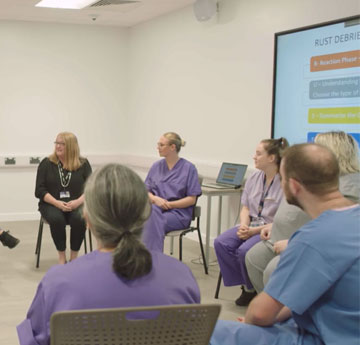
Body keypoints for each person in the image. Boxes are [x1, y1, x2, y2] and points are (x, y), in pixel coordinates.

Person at [18, 164, 200, 345]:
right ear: (145, 216)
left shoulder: (58, 282)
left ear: (87, 220)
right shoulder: (180, 276)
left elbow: (34, 339)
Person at [210, 143, 360, 345]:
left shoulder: (311, 239)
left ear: (294, 186)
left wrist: (252, 321)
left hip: (326, 338)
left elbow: (260, 314)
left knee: (210, 331)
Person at [245, 131, 360, 293]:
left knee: (273, 271)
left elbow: (332, 230)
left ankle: (280, 312)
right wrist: (274, 226)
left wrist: (294, 243)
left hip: (307, 244)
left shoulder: (351, 187)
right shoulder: (321, 178)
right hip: (280, 236)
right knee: (253, 258)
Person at [214, 138, 288, 306]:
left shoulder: (285, 182)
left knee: (244, 251)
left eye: (258, 154)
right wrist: (243, 225)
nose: (254, 157)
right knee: (221, 243)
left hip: (269, 228)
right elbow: (246, 207)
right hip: (250, 224)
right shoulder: (254, 178)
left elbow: (281, 220)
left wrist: (254, 231)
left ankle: (250, 288)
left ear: (272, 158)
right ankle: (248, 287)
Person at [35, 132, 92, 264]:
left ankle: (73, 257)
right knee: (56, 219)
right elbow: (39, 190)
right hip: (51, 204)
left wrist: (77, 202)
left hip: (77, 204)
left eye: (62, 144)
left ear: (71, 146)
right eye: (57, 143)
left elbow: (91, 187)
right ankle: (62, 257)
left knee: (80, 218)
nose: (58, 146)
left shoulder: (83, 164)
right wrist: (56, 203)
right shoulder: (46, 163)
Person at [142, 132, 202, 252]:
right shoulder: (156, 167)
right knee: (145, 218)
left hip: (179, 213)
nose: (157, 147)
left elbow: (191, 199)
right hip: (155, 208)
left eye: (161, 145)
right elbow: (145, 192)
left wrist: (169, 205)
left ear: (172, 147)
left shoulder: (189, 168)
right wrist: (155, 199)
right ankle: (143, 260)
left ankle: (153, 262)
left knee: (153, 223)